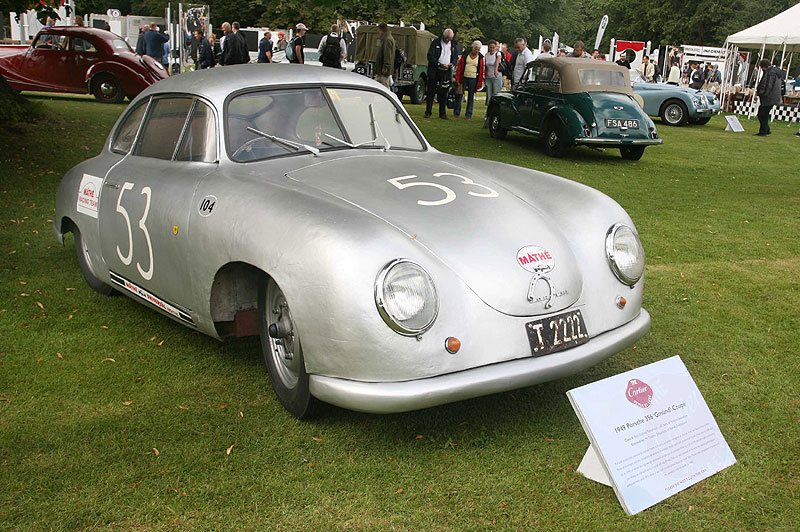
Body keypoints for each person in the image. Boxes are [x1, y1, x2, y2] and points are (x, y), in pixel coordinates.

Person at [424, 28, 457, 119]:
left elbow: (455, 57)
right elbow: (430, 56)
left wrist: (452, 63)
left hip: (446, 72)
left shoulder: (453, 44)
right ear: (443, 36)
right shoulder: (436, 42)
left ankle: (442, 114)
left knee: (444, 93)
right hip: (435, 70)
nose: (448, 40)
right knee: (431, 92)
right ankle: (428, 112)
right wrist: (439, 64)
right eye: (447, 38)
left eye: (449, 39)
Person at [453, 40, 484, 120]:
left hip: (473, 79)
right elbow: (460, 66)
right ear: (472, 48)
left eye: (478, 49)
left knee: (471, 97)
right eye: (476, 49)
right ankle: (456, 113)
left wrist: (479, 82)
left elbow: (481, 70)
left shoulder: (480, 57)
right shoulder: (465, 54)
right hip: (464, 77)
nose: (477, 51)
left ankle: (468, 115)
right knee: (459, 95)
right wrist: (458, 77)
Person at [755, 59, 782, 136]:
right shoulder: (776, 72)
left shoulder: (770, 73)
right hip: (774, 96)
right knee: (764, 114)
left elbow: (768, 85)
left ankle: (763, 131)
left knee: (762, 114)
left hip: (768, 97)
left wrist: (762, 93)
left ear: (763, 66)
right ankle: (766, 129)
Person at [374, 23, 396, 89]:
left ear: (381, 30)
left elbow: (387, 55)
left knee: (385, 86)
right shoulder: (387, 38)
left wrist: (385, 67)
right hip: (383, 68)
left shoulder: (387, 40)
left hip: (383, 69)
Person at [484, 40, 502, 106]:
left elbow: (497, 63)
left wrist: (496, 70)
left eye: (493, 47)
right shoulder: (486, 55)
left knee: (496, 94)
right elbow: (485, 65)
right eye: (490, 47)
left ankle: (496, 109)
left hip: (496, 76)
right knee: (489, 94)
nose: (492, 49)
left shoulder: (498, 54)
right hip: (488, 76)